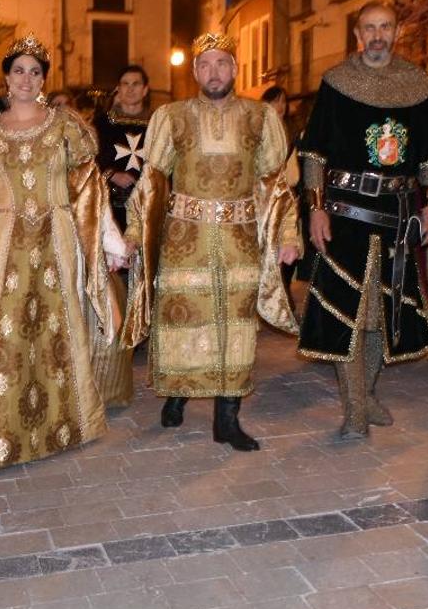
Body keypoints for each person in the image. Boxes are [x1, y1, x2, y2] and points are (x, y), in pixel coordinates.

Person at [0, 33, 128, 470]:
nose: (27, 79)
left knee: (55, 332)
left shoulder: (66, 126)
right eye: (19, 71)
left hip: (56, 239)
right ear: (6, 78)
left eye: (35, 72)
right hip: (1, 242)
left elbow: (88, 190)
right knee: (1, 335)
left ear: (42, 79)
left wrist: (109, 240)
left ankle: (59, 425)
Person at [121, 33, 301, 451]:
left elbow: (275, 183)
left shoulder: (260, 117)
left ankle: (227, 419)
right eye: (205, 64)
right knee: (184, 319)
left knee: (236, 327)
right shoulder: (172, 116)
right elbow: (152, 179)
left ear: (235, 69)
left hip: (240, 239)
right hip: (186, 237)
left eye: (222, 63)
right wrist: (133, 232)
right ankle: (178, 393)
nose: (214, 71)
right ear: (195, 71)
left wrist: (289, 234)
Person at [296, 1, 428, 439]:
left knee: (386, 312)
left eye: (386, 27)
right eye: (369, 28)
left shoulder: (416, 82)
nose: (377, 35)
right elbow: (313, 152)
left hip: (397, 213)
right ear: (357, 33)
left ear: (397, 31)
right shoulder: (337, 82)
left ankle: (368, 392)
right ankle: (355, 407)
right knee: (349, 314)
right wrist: (316, 207)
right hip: (346, 212)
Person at [95, 65, 151, 231]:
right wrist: (111, 174)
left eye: (136, 84)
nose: (130, 89)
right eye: (125, 84)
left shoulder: (157, 123)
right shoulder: (102, 123)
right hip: (110, 202)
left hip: (145, 201)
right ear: (118, 89)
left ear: (145, 90)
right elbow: (89, 158)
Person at [261, 85, 302, 294]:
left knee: (288, 250)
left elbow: (296, 170)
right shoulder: (257, 131)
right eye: (276, 101)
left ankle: (284, 293)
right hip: (265, 201)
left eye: (284, 101)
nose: (281, 106)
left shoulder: (292, 131)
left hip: (289, 198)